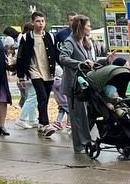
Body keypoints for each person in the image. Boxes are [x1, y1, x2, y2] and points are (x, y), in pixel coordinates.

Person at [15, 11, 59, 139]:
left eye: (42, 21)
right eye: (38, 21)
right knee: (42, 96)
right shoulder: (27, 38)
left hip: (48, 71)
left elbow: (56, 54)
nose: (41, 24)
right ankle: (46, 124)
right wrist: (21, 76)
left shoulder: (50, 36)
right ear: (32, 22)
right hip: (34, 71)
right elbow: (21, 58)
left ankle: (40, 123)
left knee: (43, 100)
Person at [59, 15, 97, 154]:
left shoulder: (86, 42)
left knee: (86, 115)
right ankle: (81, 145)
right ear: (81, 27)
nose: (90, 27)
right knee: (78, 117)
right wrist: (80, 64)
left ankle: (86, 142)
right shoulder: (70, 41)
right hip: (74, 86)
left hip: (85, 85)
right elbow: (63, 58)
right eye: (88, 25)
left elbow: (90, 61)